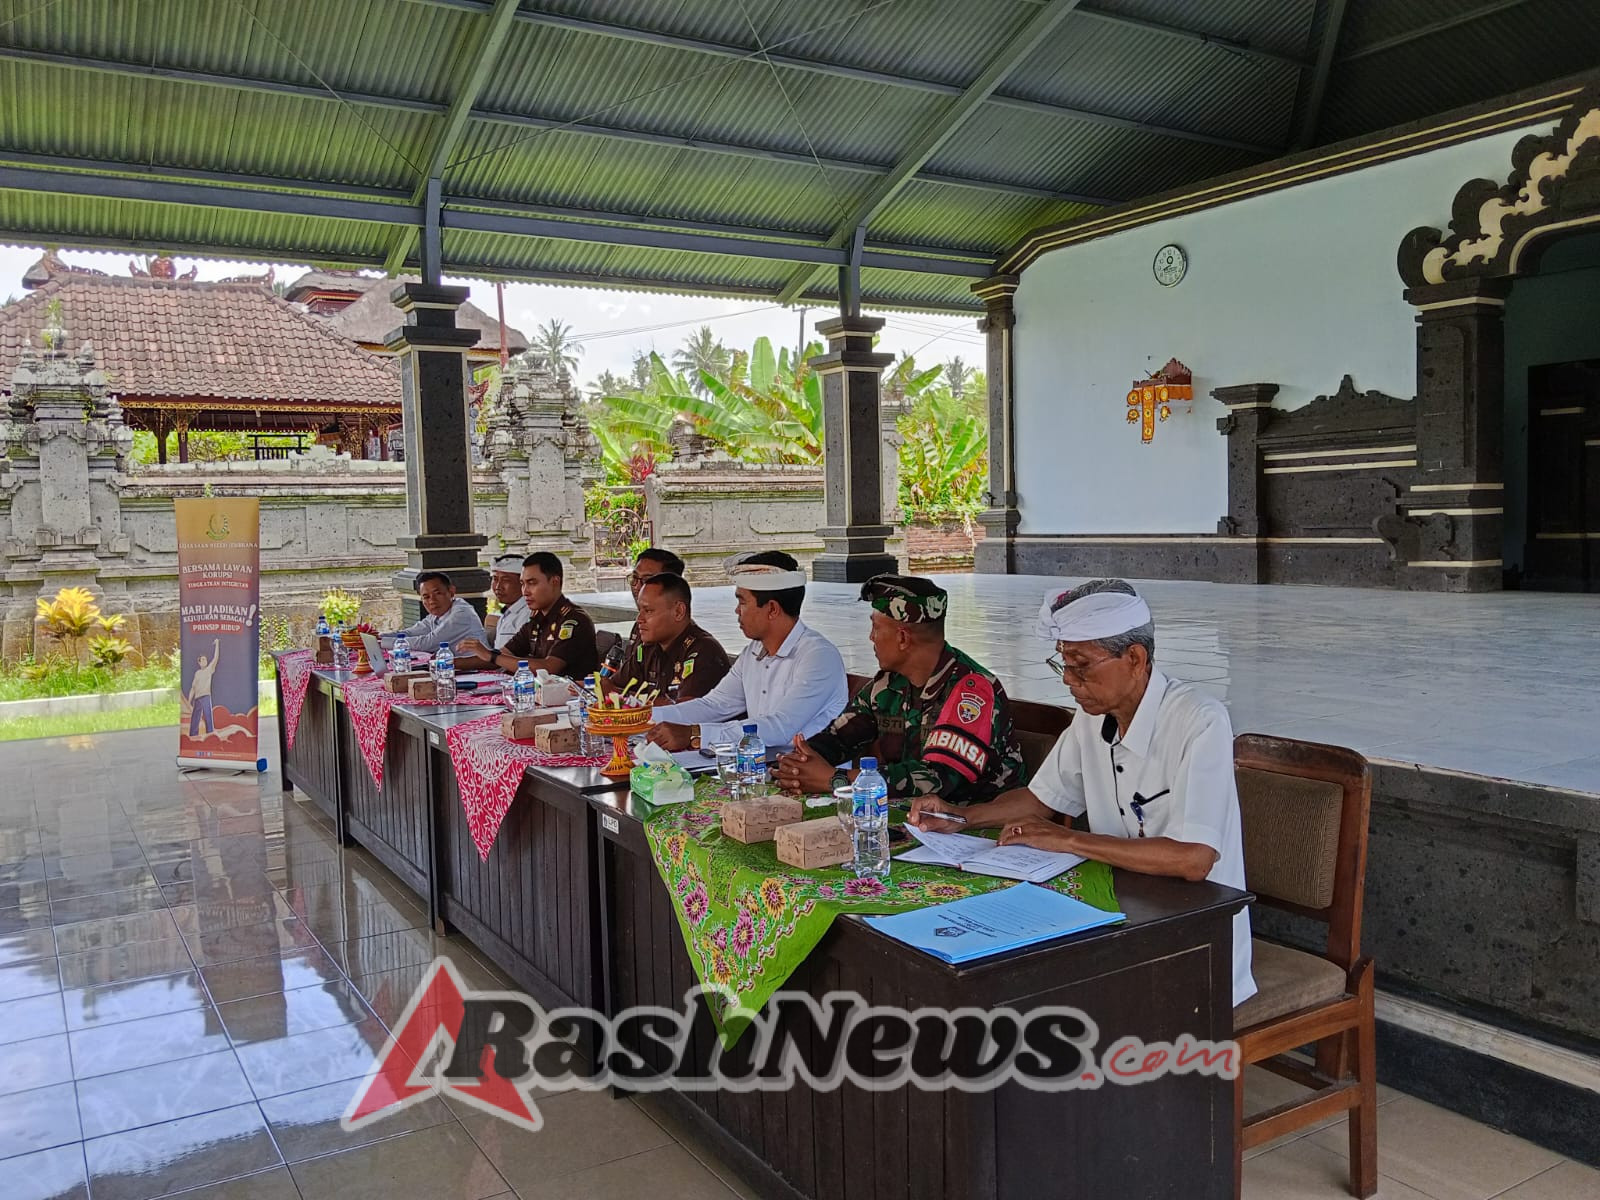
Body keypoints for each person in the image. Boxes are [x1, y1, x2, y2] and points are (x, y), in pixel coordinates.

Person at [909, 579, 1256, 1007]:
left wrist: (1070, 840)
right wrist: (961, 816)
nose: (1070, 681)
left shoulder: (1200, 721)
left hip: (1194, 935)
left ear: (1135, 658)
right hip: (1122, 907)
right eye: (1063, 665)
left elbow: (1193, 859)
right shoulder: (1093, 716)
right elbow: (1042, 800)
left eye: (1082, 666)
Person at [773, 574, 1026, 806]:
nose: (871, 638)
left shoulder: (972, 690)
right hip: (913, 818)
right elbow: (839, 737)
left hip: (978, 828)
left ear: (903, 638)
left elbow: (935, 780)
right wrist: (799, 764)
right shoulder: (888, 684)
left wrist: (837, 780)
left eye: (876, 628)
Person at [647, 551, 848, 752]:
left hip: (805, 776)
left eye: (742, 602)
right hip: (759, 768)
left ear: (772, 609)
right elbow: (716, 705)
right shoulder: (753, 652)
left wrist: (695, 733)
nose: (737, 610)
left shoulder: (818, 656)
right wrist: (640, 717)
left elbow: (779, 728)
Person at [457, 551, 599, 679]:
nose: (525, 591)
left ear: (555, 582)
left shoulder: (573, 620)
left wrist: (491, 656)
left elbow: (550, 668)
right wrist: (449, 663)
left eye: (532, 583)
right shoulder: (537, 619)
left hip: (570, 701)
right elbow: (505, 654)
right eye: (523, 584)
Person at [606, 572, 731, 702]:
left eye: (648, 611)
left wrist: (620, 696)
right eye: (640, 611)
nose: (639, 619)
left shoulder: (703, 652)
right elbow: (612, 686)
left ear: (678, 612)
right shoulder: (647, 648)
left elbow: (683, 711)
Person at [604, 546, 684, 675]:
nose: (637, 587)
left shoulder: (693, 647)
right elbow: (623, 681)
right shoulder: (640, 625)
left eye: (647, 580)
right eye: (634, 579)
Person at [382, 571, 486, 656]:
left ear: (451, 591)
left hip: (478, 668)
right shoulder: (436, 616)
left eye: (438, 593)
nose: (432, 601)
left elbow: (429, 643)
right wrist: (378, 637)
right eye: (426, 597)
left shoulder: (462, 613)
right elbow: (409, 633)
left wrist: (381, 643)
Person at [486, 553, 531, 652]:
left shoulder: (528, 613)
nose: (498, 587)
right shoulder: (507, 614)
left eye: (505, 580)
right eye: (495, 579)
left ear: (522, 583)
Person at [187, 637, 220, 737]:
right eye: (203, 659)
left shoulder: (209, 669)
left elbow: (215, 658)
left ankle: (210, 735)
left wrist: (217, 644)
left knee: (208, 715)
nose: (205, 661)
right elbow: (193, 688)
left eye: (205, 659)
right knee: (195, 717)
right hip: (197, 698)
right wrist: (189, 701)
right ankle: (193, 735)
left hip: (206, 696)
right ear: (199, 662)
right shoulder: (197, 673)